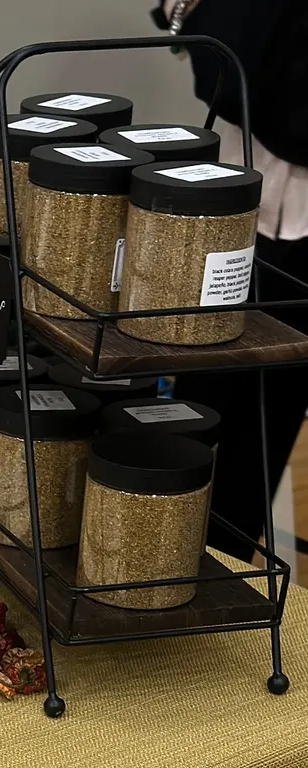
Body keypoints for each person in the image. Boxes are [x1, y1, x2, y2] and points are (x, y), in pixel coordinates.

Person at [156, 0, 308, 558]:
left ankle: (217, 565)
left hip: (277, 208)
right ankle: (157, 549)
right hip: (234, 191)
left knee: (267, 414)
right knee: (193, 389)